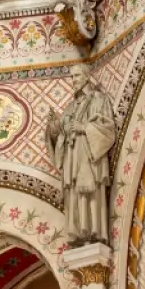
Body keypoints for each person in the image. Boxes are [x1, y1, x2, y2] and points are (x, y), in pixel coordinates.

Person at [46, 64, 117, 244]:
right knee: (74, 190)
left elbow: (107, 129)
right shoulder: (71, 106)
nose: (73, 81)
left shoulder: (99, 100)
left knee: (91, 189)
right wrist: (54, 128)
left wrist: (83, 127)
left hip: (88, 153)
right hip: (72, 155)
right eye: (71, 77)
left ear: (86, 76)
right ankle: (77, 231)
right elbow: (61, 132)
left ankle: (94, 230)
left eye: (76, 76)